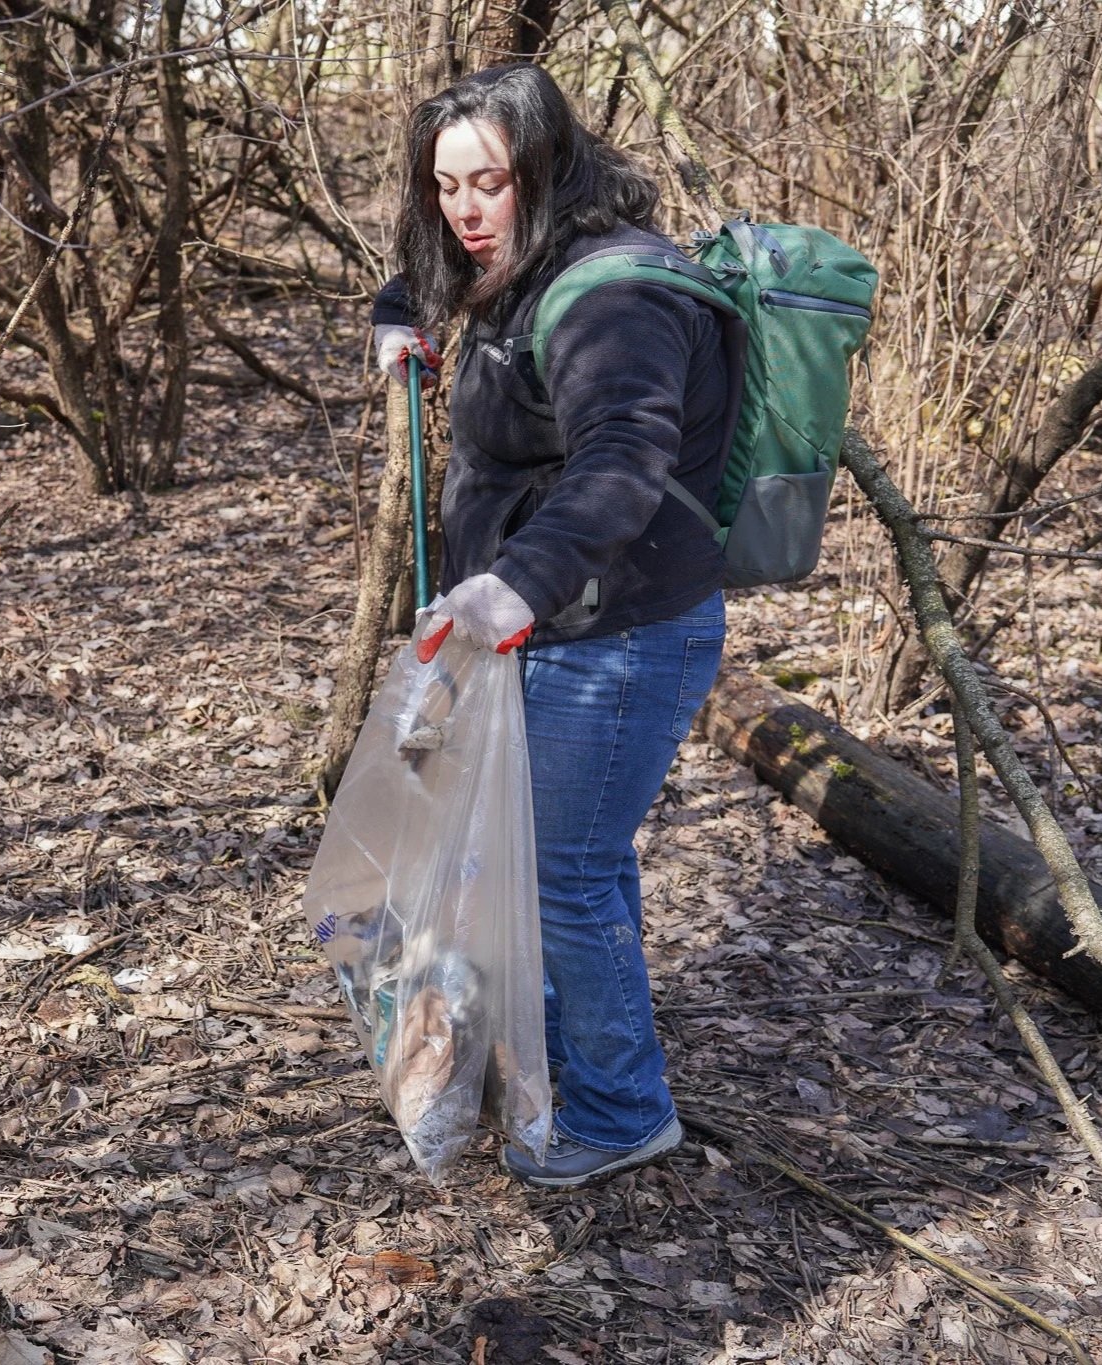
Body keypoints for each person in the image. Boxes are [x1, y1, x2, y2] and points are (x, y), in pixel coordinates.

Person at [371, 63, 732, 1189]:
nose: (467, 212)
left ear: (549, 169)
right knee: (576, 867)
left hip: (613, 640)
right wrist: (400, 317)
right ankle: (594, 1070)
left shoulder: (617, 296)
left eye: (492, 183)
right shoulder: (524, 268)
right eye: (447, 187)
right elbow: (448, 292)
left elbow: (623, 464)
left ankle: (624, 1112)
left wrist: (511, 585)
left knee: (562, 874)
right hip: (569, 631)